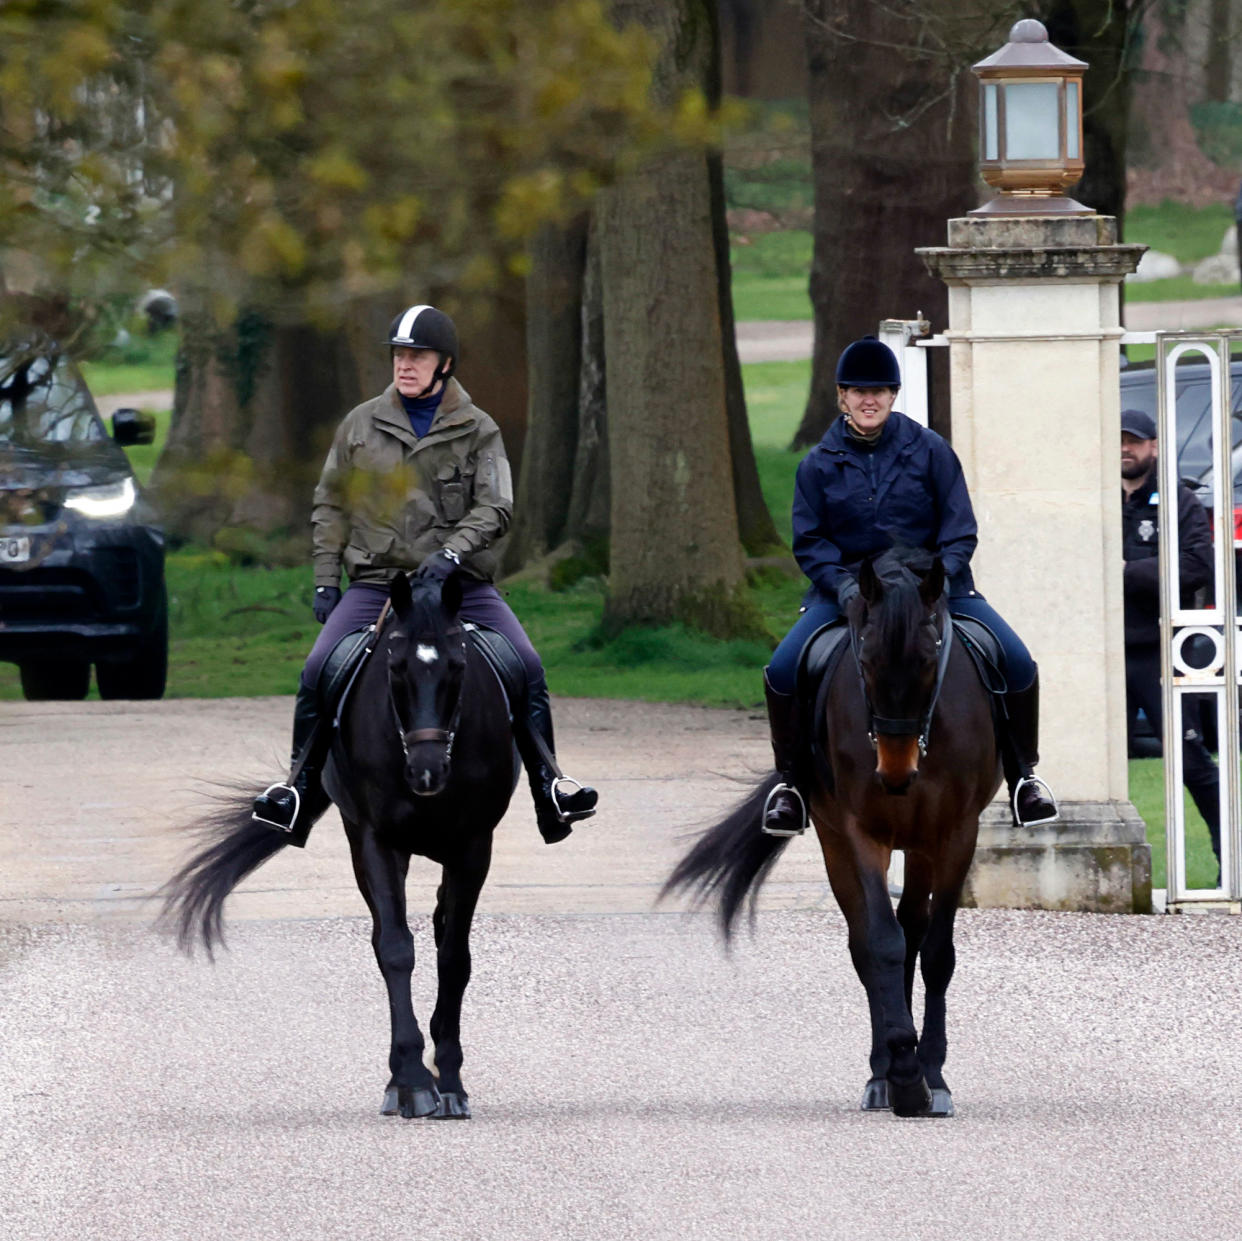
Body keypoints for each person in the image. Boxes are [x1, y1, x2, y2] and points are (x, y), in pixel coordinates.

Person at [252, 303, 598, 847]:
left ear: (445, 364)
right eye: (398, 355)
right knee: (317, 668)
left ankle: (550, 788)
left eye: (417, 355)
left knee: (527, 666)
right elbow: (330, 506)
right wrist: (325, 578)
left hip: (460, 589)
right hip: (375, 584)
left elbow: (496, 507)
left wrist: (454, 554)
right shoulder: (359, 424)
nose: (404, 365)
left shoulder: (479, 428)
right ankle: (294, 792)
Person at [760, 335, 1059, 837]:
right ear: (841, 396)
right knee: (784, 669)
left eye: (878, 389)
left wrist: (936, 581)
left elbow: (960, 528)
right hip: (851, 594)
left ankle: (1024, 778)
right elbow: (810, 542)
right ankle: (790, 785)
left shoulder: (931, 450)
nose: (868, 399)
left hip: (936, 590)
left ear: (893, 394)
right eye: (857, 391)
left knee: (1018, 661)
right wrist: (845, 587)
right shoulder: (816, 464)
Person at [1120, 407, 1222, 881]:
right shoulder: (1091, 496)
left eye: (1135, 441)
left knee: (1192, 762)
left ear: (1154, 447)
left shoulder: (1177, 501)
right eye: (1119, 440)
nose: (1126, 449)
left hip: (1157, 650)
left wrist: (1125, 572)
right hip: (1100, 655)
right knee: (1075, 765)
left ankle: (1231, 863)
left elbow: (1197, 566)